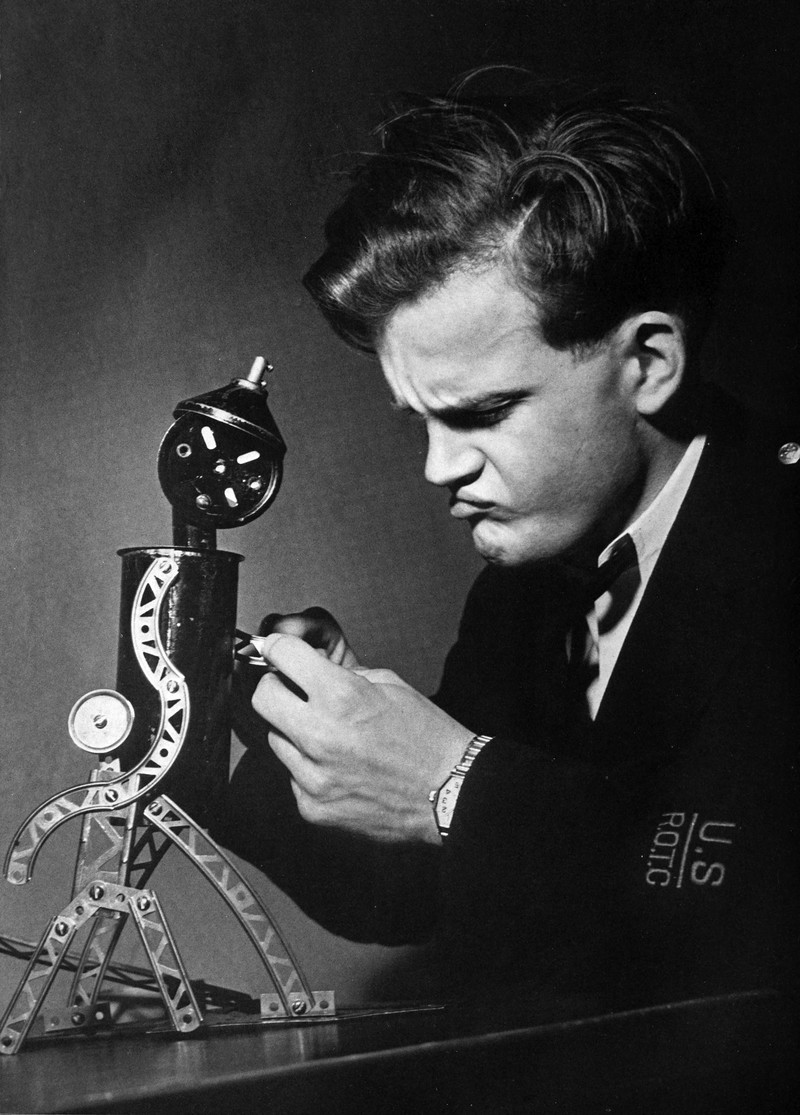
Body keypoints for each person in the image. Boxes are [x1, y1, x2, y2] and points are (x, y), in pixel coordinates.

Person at [223, 81, 799, 1014]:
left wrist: (451, 783)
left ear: (649, 362)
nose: (438, 468)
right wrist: (280, 726)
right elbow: (424, 895)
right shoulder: (524, 586)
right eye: (418, 421)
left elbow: (750, 906)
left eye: (483, 413)